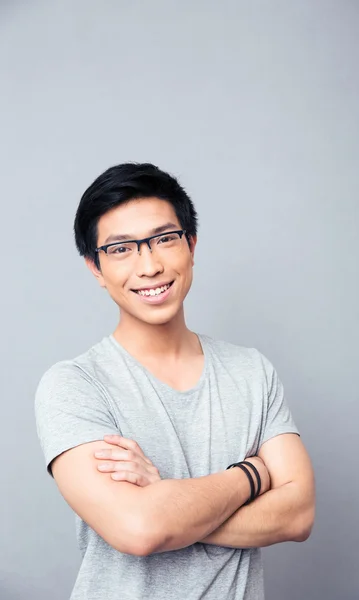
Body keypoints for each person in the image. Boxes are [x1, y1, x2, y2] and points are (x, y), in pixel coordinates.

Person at [35, 162, 315, 600]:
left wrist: (166, 500)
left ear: (191, 244)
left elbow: (298, 516)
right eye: (122, 249)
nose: (149, 266)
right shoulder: (74, 386)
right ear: (95, 267)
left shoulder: (252, 371)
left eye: (164, 239)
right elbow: (140, 529)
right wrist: (253, 474)